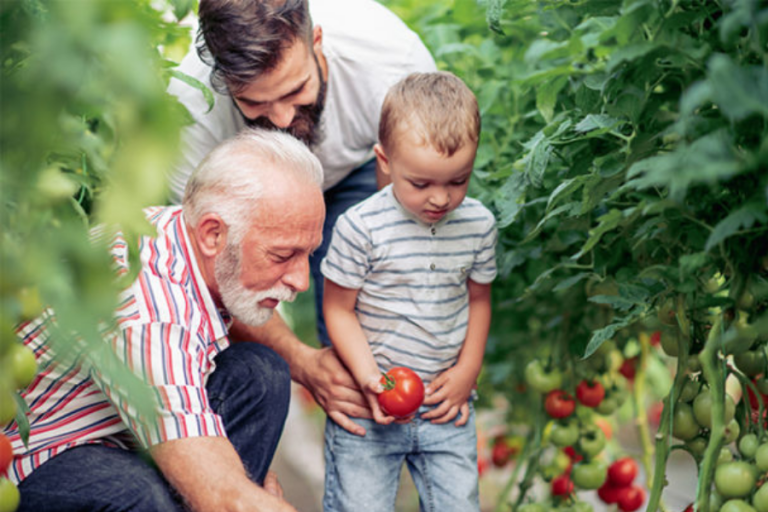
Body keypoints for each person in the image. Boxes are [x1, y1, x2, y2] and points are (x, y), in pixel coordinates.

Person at [4, 129, 325, 512]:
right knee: (138, 495)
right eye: (282, 255)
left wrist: (243, 490)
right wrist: (244, 499)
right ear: (213, 234)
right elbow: (225, 497)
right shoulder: (148, 313)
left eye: (308, 254)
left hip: (115, 427)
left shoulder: (181, 231)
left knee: (262, 373)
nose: (301, 281)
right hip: (39, 454)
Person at [167, 0, 437, 351]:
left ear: (317, 41)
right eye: (254, 103)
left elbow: (408, 222)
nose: (280, 119)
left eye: (295, 90)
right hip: (250, 193)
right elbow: (209, 268)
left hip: (357, 172)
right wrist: (304, 363)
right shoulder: (189, 111)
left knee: (371, 312)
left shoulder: (394, 64)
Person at [320, 72, 498, 512]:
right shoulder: (359, 227)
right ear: (384, 160)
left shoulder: (478, 225)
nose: (440, 198)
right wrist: (368, 378)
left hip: (446, 407)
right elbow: (338, 311)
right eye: (421, 183)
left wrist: (467, 371)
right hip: (369, 406)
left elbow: (479, 300)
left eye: (459, 181)